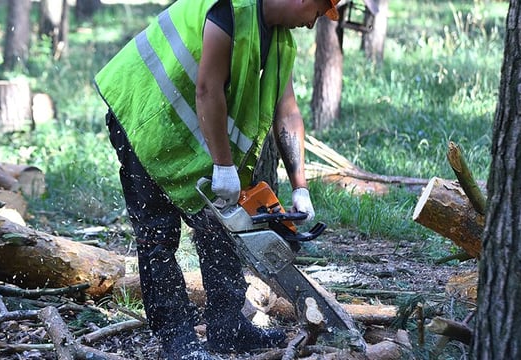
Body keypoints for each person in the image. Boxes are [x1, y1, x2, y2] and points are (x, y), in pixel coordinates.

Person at [94, 0, 341, 358]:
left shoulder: (281, 42)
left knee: (220, 226)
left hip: (187, 132)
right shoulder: (230, 8)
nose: (311, 24)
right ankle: (176, 338)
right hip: (144, 111)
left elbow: (287, 111)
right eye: (317, 13)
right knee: (158, 234)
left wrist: (300, 187)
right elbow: (207, 88)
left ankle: (228, 327)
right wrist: (224, 168)